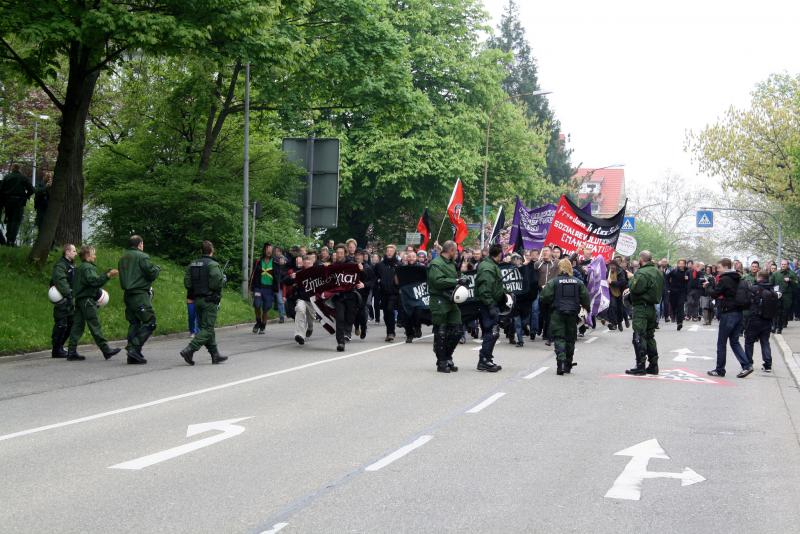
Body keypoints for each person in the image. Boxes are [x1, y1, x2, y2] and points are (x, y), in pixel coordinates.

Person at [66, 245, 121, 361]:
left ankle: (71, 351)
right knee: (94, 325)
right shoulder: (88, 268)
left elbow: (88, 280)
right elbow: (94, 282)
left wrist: (105, 273)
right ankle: (106, 350)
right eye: (93, 254)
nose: (95, 256)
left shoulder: (80, 267)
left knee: (77, 326)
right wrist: (108, 275)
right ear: (87, 255)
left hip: (80, 300)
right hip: (87, 301)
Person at [180, 240, 227, 365]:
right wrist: (223, 280)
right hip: (209, 300)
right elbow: (216, 283)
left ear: (202, 251)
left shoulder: (192, 264)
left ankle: (215, 354)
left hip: (197, 300)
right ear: (212, 251)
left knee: (206, 327)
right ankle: (190, 349)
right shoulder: (213, 265)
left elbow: (187, 283)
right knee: (208, 328)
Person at [540, 258, 590, 375]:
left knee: (559, 338)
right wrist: (586, 309)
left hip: (558, 312)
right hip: (572, 314)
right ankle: (568, 364)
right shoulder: (578, 282)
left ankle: (560, 363)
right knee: (570, 339)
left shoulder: (554, 282)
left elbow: (544, 297)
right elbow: (586, 298)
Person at [705, 258, 752, 378]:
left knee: (721, 343)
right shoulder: (738, 277)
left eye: (719, 267)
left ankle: (720, 369)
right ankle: (747, 365)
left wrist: (708, 286)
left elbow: (715, 293)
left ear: (725, 267)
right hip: (738, 313)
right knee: (735, 342)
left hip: (728, 314)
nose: (718, 270)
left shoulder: (725, 279)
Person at [118, 235, 160, 364]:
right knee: (150, 321)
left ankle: (132, 355)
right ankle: (134, 348)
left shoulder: (123, 258)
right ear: (140, 244)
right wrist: (157, 269)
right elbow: (151, 273)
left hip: (128, 294)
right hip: (139, 294)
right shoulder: (142, 256)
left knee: (134, 323)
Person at [427, 240, 466, 373]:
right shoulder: (436, 264)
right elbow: (437, 281)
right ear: (450, 250)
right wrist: (455, 281)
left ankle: (447, 355)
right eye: (455, 251)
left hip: (451, 299)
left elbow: (456, 276)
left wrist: (462, 278)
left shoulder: (452, 263)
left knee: (457, 330)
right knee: (441, 332)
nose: (456, 253)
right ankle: (442, 361)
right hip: (439, 300)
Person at [625, 251, 663, 376]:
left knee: (639, 336)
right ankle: (653, 365)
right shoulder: (658, 272)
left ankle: (640, 365)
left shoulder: (642, 273)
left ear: (642, 259)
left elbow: (636, 288)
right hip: (652, 307)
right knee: (650, 336)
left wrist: (632, 278)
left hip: (642, 307)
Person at [475, 243, 505, 372]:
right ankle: (484, 360)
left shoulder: (492, 265)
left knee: (493, 332)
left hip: (492, 302)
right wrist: (491, 305)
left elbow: (495, 286)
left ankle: (486, 358)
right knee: (491, 332)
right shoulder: (487, 268)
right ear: (499, 254)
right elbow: (485, 290)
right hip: (488, 304)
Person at [331, 243, 364, 351]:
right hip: (339, 296)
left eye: (341, 253)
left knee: (349, 317)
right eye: (338, 253)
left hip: (350, 295)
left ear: (345, 253)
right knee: (340, 318)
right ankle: (340, 342)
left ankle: (348, 330)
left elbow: (364, 276)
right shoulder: (333, 266)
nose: (339, 255)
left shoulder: (352, 264)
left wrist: (361, 270)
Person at [745, 270, 778, 372]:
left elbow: (747, 301)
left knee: (749, 341)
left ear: (759, 277)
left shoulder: (754, 288)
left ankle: (748, 363)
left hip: (755, 319)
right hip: (767, 320)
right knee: (765, 342)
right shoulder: (772, 290)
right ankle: (767, 364)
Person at [49, 244, 77, 358]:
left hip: (69, 300)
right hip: (62, 300)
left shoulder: (71, 265)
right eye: (74, 251)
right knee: (61, 324)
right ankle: (56, 349)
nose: (76, 253)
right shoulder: (60, 266)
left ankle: (60, 347)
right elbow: (61, 282)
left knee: (71, 323)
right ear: (67, 252)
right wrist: (69, 295)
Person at [1, 164, 34, 246]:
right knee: (16, 221)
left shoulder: (7, 177)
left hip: (8, 201)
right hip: (19, 202)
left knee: (9, 220)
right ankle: (12, 240)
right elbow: (32, 189)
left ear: (12, 169)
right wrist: (26, 196)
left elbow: (1, 190)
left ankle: (8, 239)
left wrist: (4, 200)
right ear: (19, 169)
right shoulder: (23, 177)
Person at [374, 244, 400, 342]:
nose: (389, 252)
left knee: (390, 310)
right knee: (385, 314)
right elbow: (375, 276)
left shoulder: (398, 264)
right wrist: (377, 282)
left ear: (394, 253)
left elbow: (402, 279)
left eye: (391, 251)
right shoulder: (380, 265)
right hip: (383, 292)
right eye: (388, 250)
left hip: (394, 292)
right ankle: (389, 331)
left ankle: (391, 333)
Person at [289, 253, 317, 345]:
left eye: (309, 261)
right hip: (302, 299)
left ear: (313, 262)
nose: (308, 263)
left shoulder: (318, 273)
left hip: (313, 301)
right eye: (306, 261)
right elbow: (285, 281)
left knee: (310, 319)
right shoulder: (299, 273)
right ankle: (299, 335)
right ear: (303, 263)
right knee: (300, 310)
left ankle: (310, 328)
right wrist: (291, 277)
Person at [534, 246, 558, 344]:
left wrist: (577, 250)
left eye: (547, 251)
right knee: (542, 313)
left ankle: (549, 336)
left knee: (551, 314)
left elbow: (568, 261)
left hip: (552, 293)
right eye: (543, 251)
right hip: (541, 292)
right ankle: (542, 331)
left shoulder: (556, 263)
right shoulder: (538, 264)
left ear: (551, 252)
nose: (545, 252)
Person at [249, 243, 274, 334]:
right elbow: (253, 274)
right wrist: (251, 287)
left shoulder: (275, 262)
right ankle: (258, 322)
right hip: (258, 287)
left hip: (269, 289)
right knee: (257, 304)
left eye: (270, 249)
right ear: (264, 250)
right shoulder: (258, 261)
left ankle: (263, 325)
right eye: (267, 249)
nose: (269, 251)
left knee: (266, 308)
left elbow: (279, 275)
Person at [771, 259, 797, 334]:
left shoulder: (792, 273)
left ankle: (780, 327)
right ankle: (774, 326)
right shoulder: (776, 274)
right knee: (776, 311)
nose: (783, 266)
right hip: (777, 295)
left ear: (787, 265)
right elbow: (771, 283)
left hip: (787, 296)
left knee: (784, 312)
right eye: (782, 264)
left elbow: (796, 284)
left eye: (785, 264)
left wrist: (790, 280)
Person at [666, 259, 689, 330]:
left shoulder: (687, 272)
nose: (681, 265)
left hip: (682, 292)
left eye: (683, 264)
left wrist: (687, 281)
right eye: (680, 264)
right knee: (674, 306)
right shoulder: (674, 271)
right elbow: (667, 278)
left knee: (680, 306)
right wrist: (668, 287)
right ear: (678, 264)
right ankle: (676, 317)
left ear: (685, 264)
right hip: (673, 292)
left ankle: (680, 322)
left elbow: (690, 281)